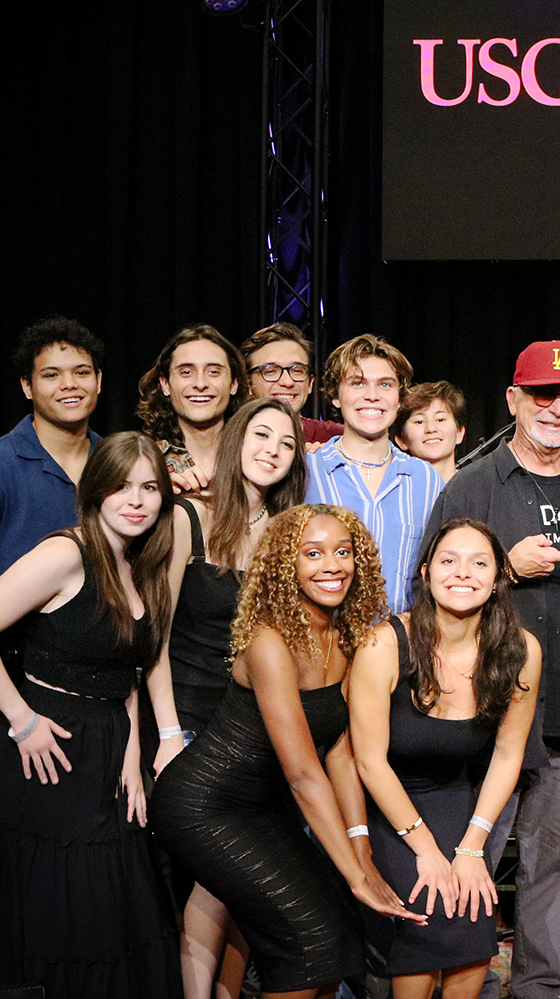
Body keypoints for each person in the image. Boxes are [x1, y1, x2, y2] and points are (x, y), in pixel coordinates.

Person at [419, 339, 560, 999]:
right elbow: (426, 589)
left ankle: (538, 991)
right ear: (513, 399)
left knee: (553, 868)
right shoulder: (473, 485)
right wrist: (505, 567)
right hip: (479, 725)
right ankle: (461, 984)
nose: (558, 407)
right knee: (467, 863)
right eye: (543, 394)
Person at [0, 431, 181, 999]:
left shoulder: (140, 563)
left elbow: (128, 669)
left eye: (150, 487)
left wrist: (132, 754)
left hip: (107, 748)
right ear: (96, 490)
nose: (136, 500)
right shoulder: (65, 553)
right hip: (45, 750)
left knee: (113, 913)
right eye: (122, 485)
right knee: (65, 915)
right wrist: (21, 720)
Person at [151, 504, 417, 998]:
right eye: (312, 554)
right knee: (308, 944)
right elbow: (302, 773)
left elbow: (338, 748)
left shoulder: (345, 635)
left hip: (260, 806)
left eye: (343, 552)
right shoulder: (269, 641)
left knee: (340, 935)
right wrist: (356, 875)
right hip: (203, 806)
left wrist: (360, 844)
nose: (331, 565)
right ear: (284, 565)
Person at [349, 518, 541, 999]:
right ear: (426, 572)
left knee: (473, 920)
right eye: (449, 560)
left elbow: (507, 753)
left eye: (479, 563)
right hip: (390, 801)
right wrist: (427, 851)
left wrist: (473, 846)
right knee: (426, 912)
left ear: (498, 577)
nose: (463, 573)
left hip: (459, 800)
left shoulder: (520, 650)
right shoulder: (383, 646)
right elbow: (369, 762)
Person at [155, 397, 308, 999]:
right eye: (261, 435)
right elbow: (155, 639)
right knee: (206, 877)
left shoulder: (291, 534)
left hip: (254, 728)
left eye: (287, 442)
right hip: (188, 721)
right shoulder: (186, 519)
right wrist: (167, 733)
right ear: (235, 441)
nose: (272, 448)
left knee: (234, 880)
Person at [0, 315, 104, 581]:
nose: (69, 384)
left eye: (81, 372)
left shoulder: (119, 463)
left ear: (98, 380)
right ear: (28, 387)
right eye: (51, 375)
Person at [305, 334, 443, 614]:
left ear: (399, 397)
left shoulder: (426, 479)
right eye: (357, 383)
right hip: (323, 647)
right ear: (335, 394)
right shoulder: (307, 472)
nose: (372, 395)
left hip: (402, 649)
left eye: (385, 385)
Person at [137, 324, 247, 495]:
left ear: (234, 384)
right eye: (186, 372)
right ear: (165, 384)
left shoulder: (256, 456)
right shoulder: (142, 460)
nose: (200, 384)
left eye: (213, 371)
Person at [241, 322, 342, 445]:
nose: (287, 382)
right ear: (248, 383)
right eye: (271, 371)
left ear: (310, 383)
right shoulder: (226, 437)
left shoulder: (335, 438)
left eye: (297, 371)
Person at [393, 380, 468, 484]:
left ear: (460, 433)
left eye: (440, 419)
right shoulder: (392, 492)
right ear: (401, 440)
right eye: (419, 422)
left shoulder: (479, 489)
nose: (431, 429)